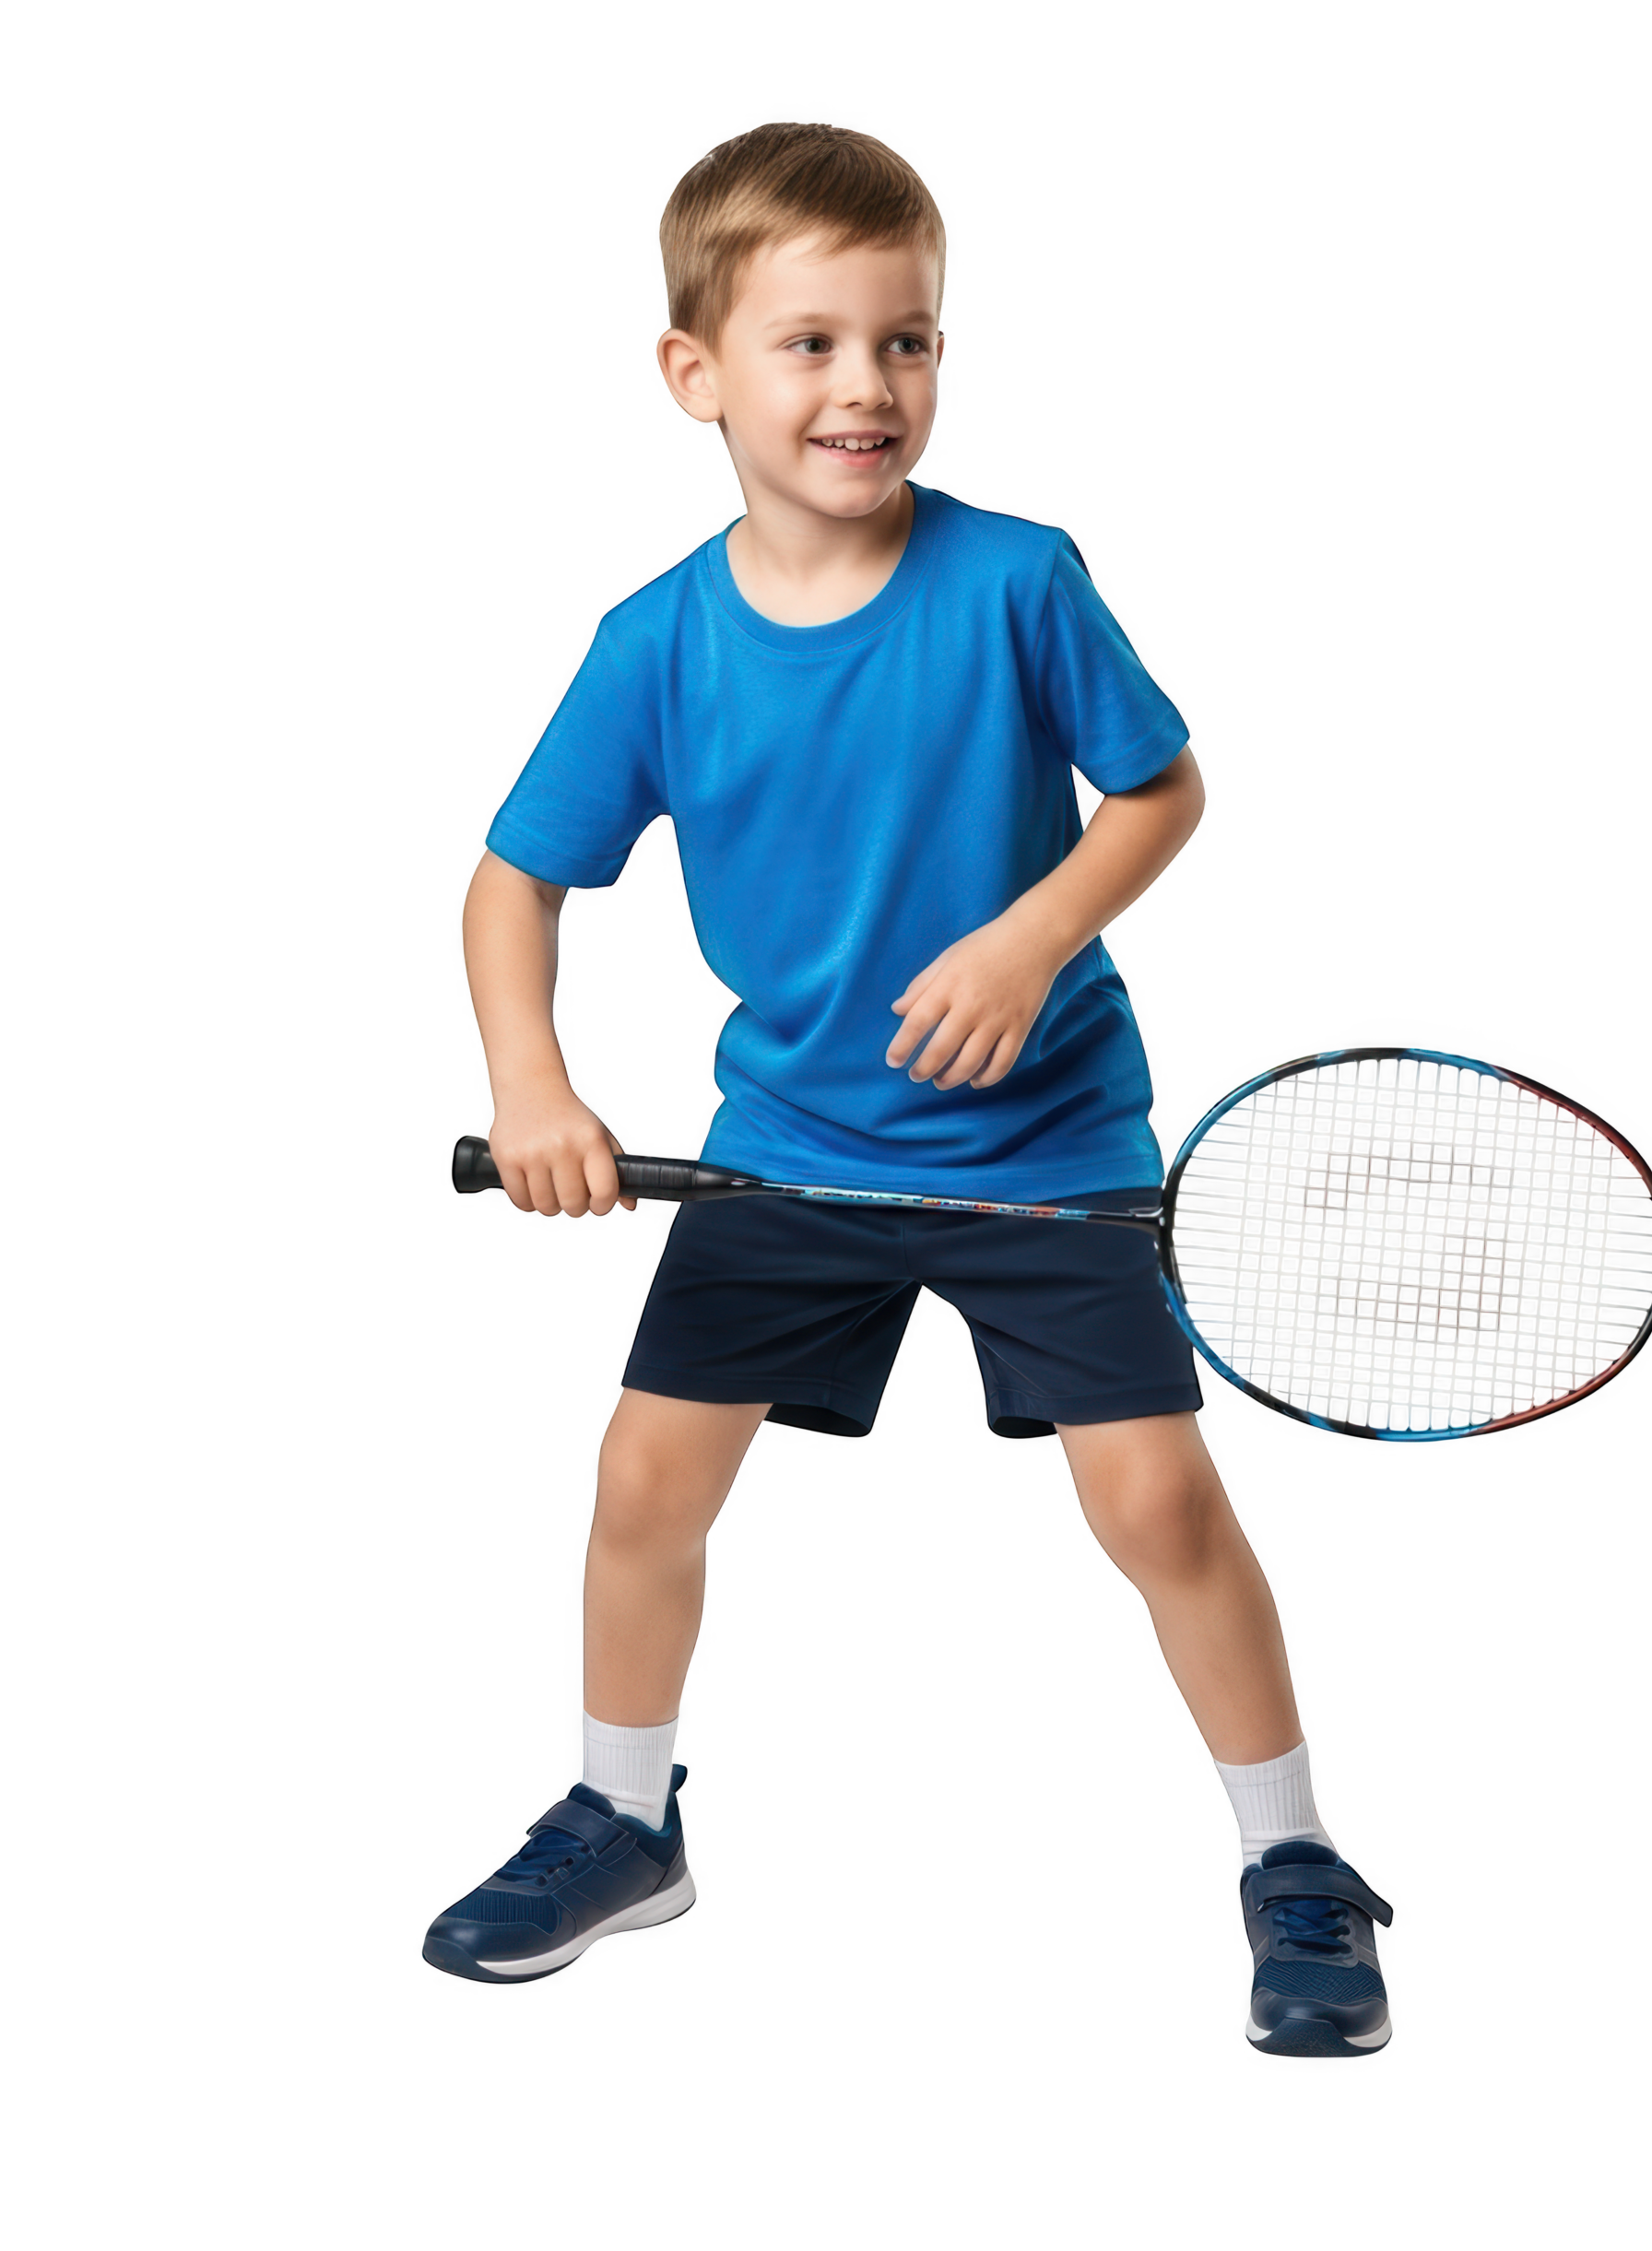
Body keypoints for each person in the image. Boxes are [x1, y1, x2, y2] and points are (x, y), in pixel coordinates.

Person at [426, 122, 1393, 2057]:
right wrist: (533, 1082)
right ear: (693, 373)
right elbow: (512, 880)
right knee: (639, 1483)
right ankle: (627, 1815)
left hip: (1049, 1143)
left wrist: (1029, 938)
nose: (865, 386)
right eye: (808, 345)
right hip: (787, 1148)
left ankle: (1294, 1857)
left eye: (907, 341)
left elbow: (1164, 790)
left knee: (1155, 1504)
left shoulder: (1022, 578)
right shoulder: (653, 641)